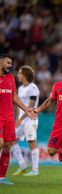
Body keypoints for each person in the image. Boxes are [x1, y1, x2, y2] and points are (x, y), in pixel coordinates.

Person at [0, 54, 37, 185]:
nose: (10, 65)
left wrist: (26, 109)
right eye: (7, 63)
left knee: (7, 146)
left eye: (11, 63)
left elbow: (14, 96)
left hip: (9, 117)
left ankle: (2, 177)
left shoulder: (10, 78)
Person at [11, 65, 40, 176]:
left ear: (25, 75)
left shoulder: (33, 88)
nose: (18, 75)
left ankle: (35, 170)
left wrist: (21, 119)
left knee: (31, 143)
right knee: (12, 141)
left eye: (20, 73)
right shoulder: (20, 88)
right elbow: (19, 106)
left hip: (30, 120)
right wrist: (17, 119)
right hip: (21, 121)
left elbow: (31, 106)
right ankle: (23, 165)